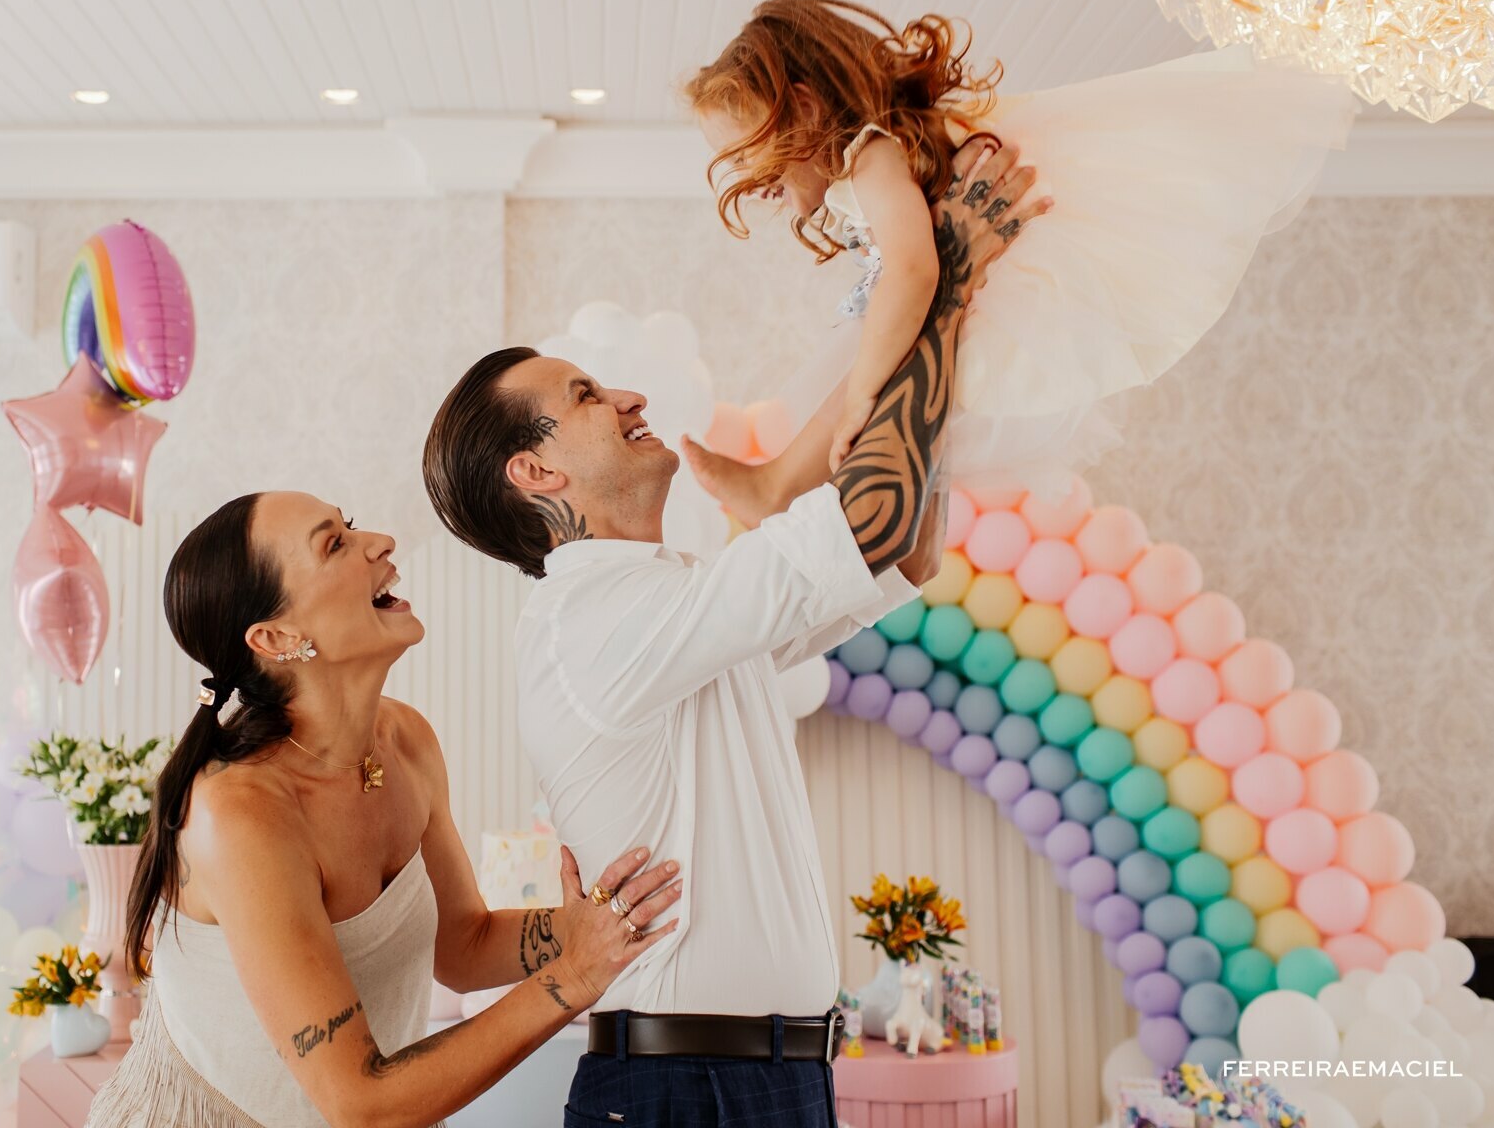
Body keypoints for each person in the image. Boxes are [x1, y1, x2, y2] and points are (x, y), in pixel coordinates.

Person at [420, 139, 1045, 1125]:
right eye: (585, 395)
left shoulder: (675, 605)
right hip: (688, 1087)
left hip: (758, 1077)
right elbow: (879, 519)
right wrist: (942, 280)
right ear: (534, 473)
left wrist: (930, 293)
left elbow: (909, 543)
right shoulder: (596, 619)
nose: (626, 396)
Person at [86, 493, 683, 1128]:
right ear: (276, 637)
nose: (379, 540)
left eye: (349, 524)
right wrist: (574, 977)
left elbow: (463, 946)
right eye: (334, 544)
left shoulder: (405, 740)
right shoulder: (239, 812)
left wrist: (586, 926)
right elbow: (361, 1103)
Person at [679, 0, 1353, 522]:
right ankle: (778, 485)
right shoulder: (865, 170)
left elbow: (913, 270)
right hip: (960, 289)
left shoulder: (874, 155)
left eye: (747, 153)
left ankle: (776, 486)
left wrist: (861, 396)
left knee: (867, 381)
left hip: (978, 291)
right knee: (874, 386)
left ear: (802, 108)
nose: (746, 177)